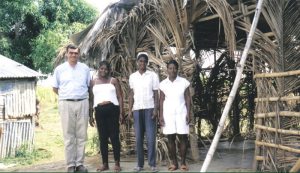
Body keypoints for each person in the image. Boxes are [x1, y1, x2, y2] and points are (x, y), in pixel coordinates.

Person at [52, 44, 91, 172]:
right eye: (71, 53)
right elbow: (55, 88)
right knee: (69, 136)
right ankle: (70, 165)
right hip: (66, 103)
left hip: (82, 102)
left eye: (76, 53)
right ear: (66, 54)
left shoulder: (85, 69)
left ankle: (79, 164)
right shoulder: (59, 69)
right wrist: (67, 96)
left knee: (81, 135)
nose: (73, 55)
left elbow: (88, 86)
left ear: (79, 54)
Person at [90, 61, 124, 172]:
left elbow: (120, 96)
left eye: (106, 69)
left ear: (108, 70)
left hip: (112, 109)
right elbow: (91, 99)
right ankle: (105, 164)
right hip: (99, 111)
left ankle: (117, 163)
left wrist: (121, 112)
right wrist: (91, 114)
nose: (103, 71)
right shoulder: (93, 82)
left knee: (114, 137)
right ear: (98, 69)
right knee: (102, 138)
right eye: (101, 68)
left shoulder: (113, 80)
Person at [129, 52, 159, 172]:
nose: (142, 63)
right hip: (137, 109)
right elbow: (131, 94)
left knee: (151, 138)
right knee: (139, 138)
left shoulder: (152, 76)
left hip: (150, 108)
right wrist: (130, 109)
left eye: (144, 61)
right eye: (140, 61)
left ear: (147, 63)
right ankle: (140, 164)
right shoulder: (133, 76)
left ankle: (152, 164)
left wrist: (156, 109)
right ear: (137, 62)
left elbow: (156, 93)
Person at [159, 60, 191, 172]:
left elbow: (187, 98)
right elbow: (161, 100)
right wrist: (160, 116)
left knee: (183, 137)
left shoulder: (184, 82)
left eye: (174, 68)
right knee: (170, 138)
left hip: (182, 112)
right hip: (168, 114)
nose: (172, 70)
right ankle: (174, 163)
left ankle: (183, 163)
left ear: (177, 69)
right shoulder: (163, 84)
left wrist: (188, 113)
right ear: (167, 69)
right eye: (170, 68)